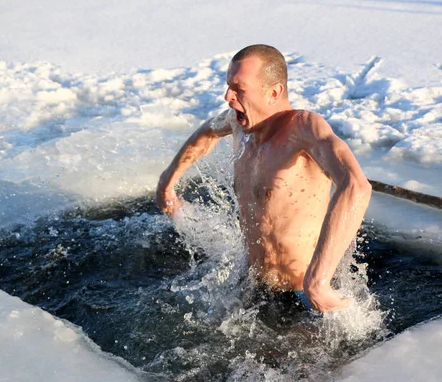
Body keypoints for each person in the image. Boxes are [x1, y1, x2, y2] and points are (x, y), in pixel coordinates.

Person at [156, 44, 372, 313]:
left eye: (238, 89)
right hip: (253, 285)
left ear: (273, 92)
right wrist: (168, 181)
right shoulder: (239, 123)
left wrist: (318, 282)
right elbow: (207, 132)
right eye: (228, 86)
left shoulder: (304, 129)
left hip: (305, 296)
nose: (227, 96)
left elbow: (356, 187)